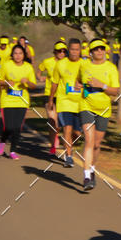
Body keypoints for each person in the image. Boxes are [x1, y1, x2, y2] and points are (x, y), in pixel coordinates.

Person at [77, 38, 119, 190]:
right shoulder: (84, 65)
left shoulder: (111, 68)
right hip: (86, 105)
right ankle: (87, 176)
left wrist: (102, 85)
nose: (99, 51)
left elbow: (115, 91)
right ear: (91, 52)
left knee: (96, 144)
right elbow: (78, 80)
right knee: (88, 140)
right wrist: (79, 85)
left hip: (104, 109)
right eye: (96, 49)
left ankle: (92, 168)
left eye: (102, 48)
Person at [0, 43, 37, 158]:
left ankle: (12, 151)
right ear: (12, 55)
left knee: (17, 128)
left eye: (20, 53)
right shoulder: (6, 65)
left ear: (24, 55)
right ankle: (2, 141)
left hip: (22, 101)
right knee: (8, 126)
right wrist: (7, 82)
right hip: (7, 100)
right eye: (15, 53)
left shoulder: (28, 67)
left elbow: (33, 86)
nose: (18, 56)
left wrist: (27, 82)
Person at [48, 39, 82, 168]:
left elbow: (89, 82)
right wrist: (51, 99)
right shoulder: (61, 64)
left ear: (80, 50)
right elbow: (55, 82)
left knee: (77, 133)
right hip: (64, 101)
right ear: (69, 50)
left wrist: (83, 86)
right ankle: (69, 156)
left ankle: (68, 143)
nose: (74, 52)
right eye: (72, 49)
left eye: (77, 49)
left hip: (80, 103)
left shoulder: (84, 64)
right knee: (67, 128)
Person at [39, 41, 67, 156]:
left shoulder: (68, 63)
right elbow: (39, 70)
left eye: (64, 51)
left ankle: (57, 136)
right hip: (49, 94)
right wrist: (39, 77)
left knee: (61, 123)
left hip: (63, 96)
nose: (62, 53)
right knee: (52, 121)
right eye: (59, 51)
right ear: (54, 52)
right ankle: (53, 145)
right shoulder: (47, 62)